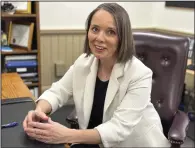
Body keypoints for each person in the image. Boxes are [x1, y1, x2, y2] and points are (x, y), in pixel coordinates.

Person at [23, 3, 170, 147]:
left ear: (122, 37)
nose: (99, 38)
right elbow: (58, 92)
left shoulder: (139, 74)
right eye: (95, 29)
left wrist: (64, 134)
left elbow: (118, 129)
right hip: (93, 139)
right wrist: (39, 111)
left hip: (133, 143)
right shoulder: (84, 62)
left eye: (110, 32)